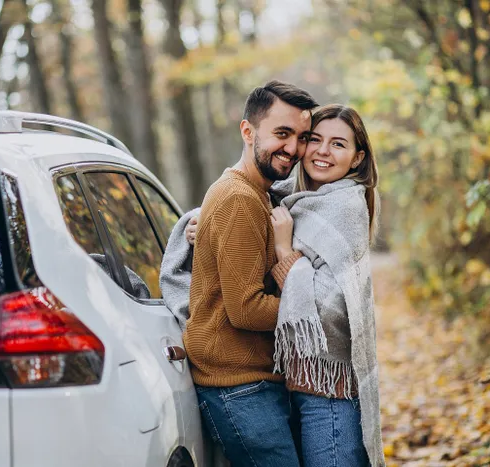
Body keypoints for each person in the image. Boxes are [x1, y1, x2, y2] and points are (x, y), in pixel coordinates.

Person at [171, 104, 386, 467]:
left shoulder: (345, 207)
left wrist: (284, 248)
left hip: (330, 392)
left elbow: (324, 307)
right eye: (314, 139)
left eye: (338, 144)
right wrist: (201, 224)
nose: (321, 151)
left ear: (357, 158)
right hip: (297, 387)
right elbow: (240, 203)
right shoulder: (294, 199)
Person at [162, 80, 317, 467]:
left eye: (301, 137)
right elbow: (246, 309)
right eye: (282, 134)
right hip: (238, 386)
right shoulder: (239, 199)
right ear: (248, 132)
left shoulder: (258, 193)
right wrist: (314, 309)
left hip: (253, 379)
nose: (294, 149)